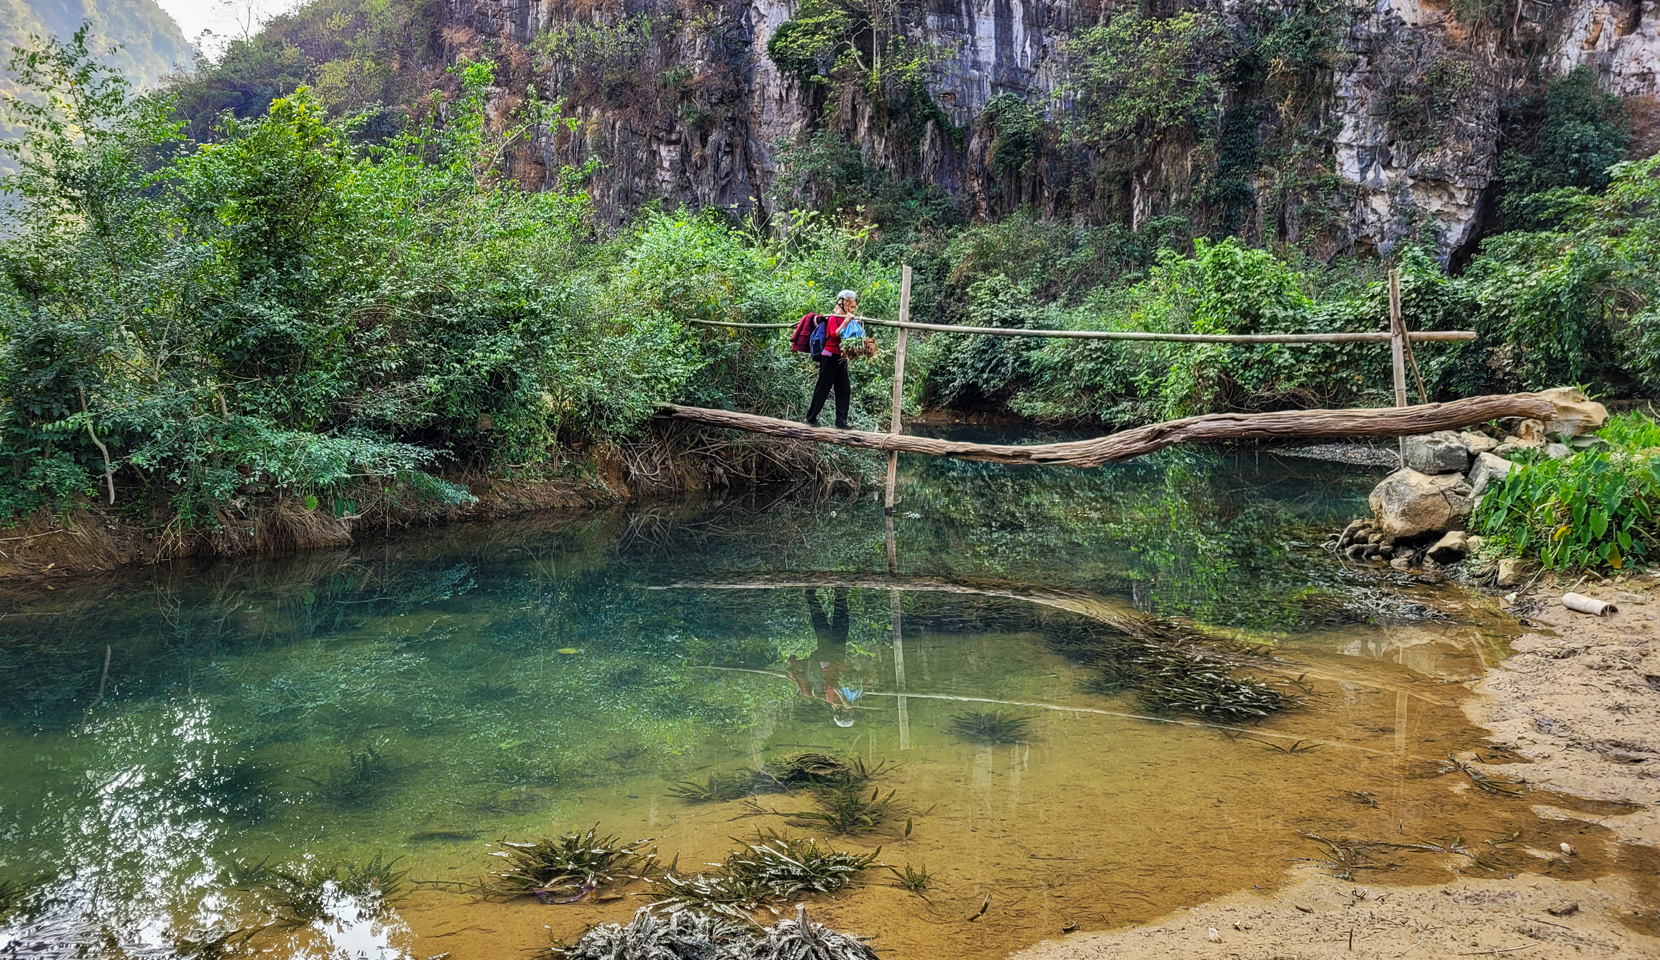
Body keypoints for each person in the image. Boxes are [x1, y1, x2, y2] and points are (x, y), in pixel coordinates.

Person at [785, 587, 867, 727]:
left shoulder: (831, 699)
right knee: (830, 625)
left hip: (828, 659)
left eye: (848, 712)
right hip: (835, 657)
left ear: (841, 712)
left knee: (833, 625)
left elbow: (834, 685)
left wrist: (843, 700)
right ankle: (834, 594)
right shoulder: (845, 699)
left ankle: (829, 594)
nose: (851, 710)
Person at [806, 290, 857, 429]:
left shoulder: (847, 318)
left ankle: (841, 421)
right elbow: (835, 335)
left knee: (844, 388)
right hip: (829, 357)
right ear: (843, 303)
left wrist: (854, 324)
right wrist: (846, 322)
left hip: (841, 358)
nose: (852, 310)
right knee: (823, 387)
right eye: (851, 307)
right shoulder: (834, 317)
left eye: (854, 308)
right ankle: (811, 417)